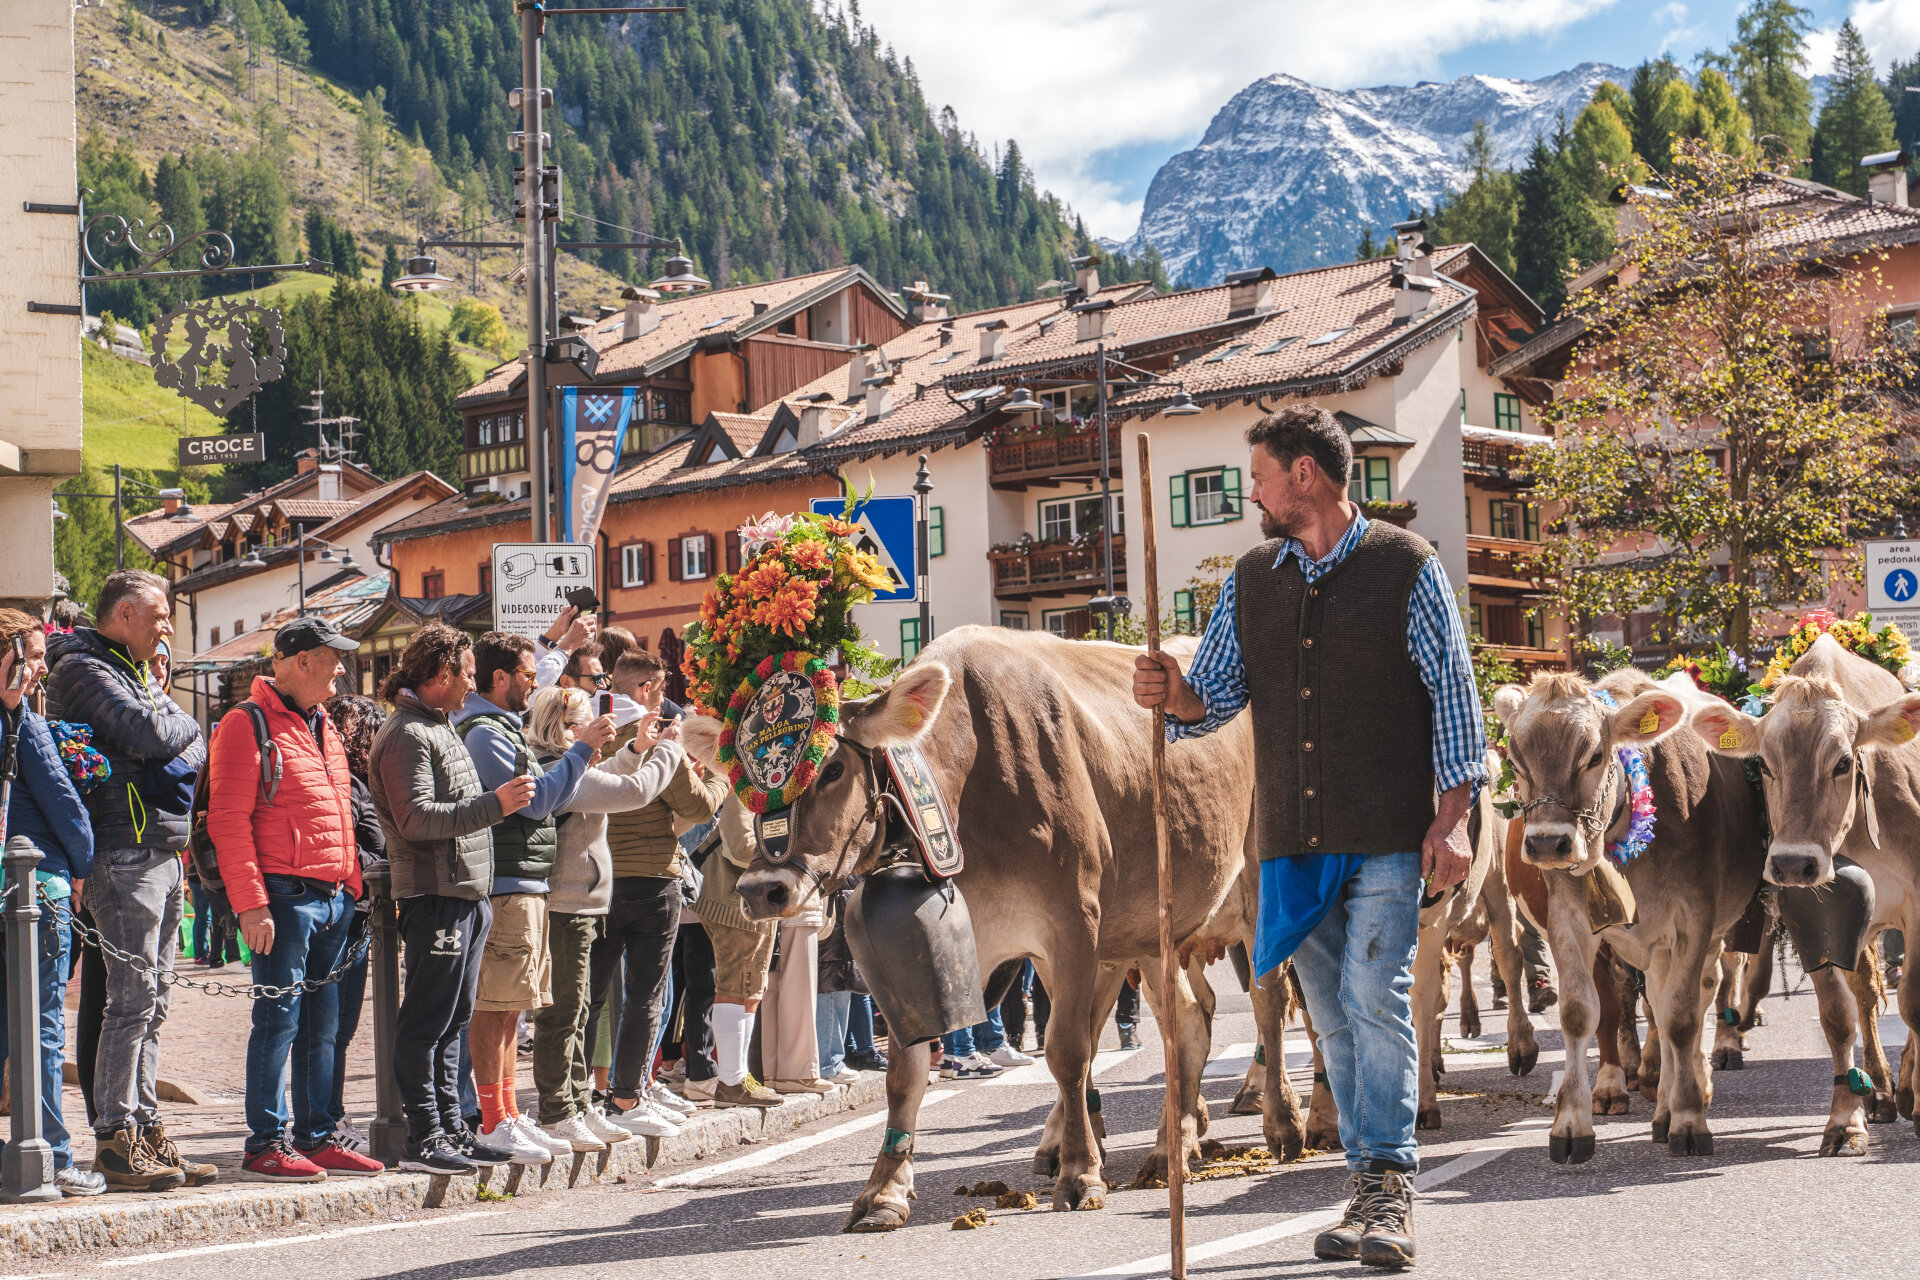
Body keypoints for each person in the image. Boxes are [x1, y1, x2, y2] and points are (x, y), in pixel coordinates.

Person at [1133, 404, 1484, 1270]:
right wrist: (1168, 689)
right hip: (1291, 841)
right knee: (1331, 1019)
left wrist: (1456, 816)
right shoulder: (1252, 578)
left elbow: (1454, 697)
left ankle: (1391, 1188)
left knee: (1374, 995)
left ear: (1304, 476)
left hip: (1387, 833)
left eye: (1257, 475)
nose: (1249, 491)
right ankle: (1367, 1183)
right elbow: (1209, 696)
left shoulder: (1408, 566)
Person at [44, 569, 210, 1193]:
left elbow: (180, 744)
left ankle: (145, 1126)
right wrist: (177, 729)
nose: (168, 626)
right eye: (160, 614)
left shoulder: (131, 672)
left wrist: (175, 732)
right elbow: (153, 733)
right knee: (131, 1002)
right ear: (124, 616)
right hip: (121, 850)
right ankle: (115, 1138)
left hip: (161, 849)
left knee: (157, 1003)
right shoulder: (84, 671)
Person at [208, 617, 384, 1181]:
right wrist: (251, 902)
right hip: (283, 897)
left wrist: (352, 883)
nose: (342, 669)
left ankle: (316, 1134)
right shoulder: (246, 723)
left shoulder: (323, 724)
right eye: (334, 658)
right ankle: (266, 1142)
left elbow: (341, 810)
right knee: (278, 1020)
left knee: (322, 1026)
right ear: (301, 659)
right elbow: (228, 820)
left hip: (332, 895)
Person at [369, 623, 537, 1176]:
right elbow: (417, 820)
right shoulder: (407, 735)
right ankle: (424, 1135)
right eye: (466, 674)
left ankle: (452, 1128)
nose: (472, 684)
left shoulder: (436, 725)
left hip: (465, 893)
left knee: (454, 1019)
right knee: (427, 1020)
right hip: (435, 894)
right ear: (441, 676)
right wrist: (498, 804)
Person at [452, 632, 613, 1166]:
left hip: (523, 883)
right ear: (500, 678)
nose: (535, 682)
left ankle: (506, 1115)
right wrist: (585, 749)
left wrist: (567, 769)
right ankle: (494, 1118)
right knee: (495, 1008)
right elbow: (538, 802)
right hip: (506, 884)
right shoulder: (487, 734)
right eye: (526, 674)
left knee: (509, 1009)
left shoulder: (500, 728)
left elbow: (545, 796)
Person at [526, 685, 685, 1150]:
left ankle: (577, 1105)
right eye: (582, 721)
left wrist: (637, 748)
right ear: (564, 727)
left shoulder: (566, 766)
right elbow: (631, 792)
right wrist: (669, 753)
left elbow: (608, 777)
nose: (595, 726)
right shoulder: (559, 767)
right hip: (567, 905)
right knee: (565, 1012)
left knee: (578, 1010)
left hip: (581, 902)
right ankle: (560, 1111)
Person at [0, 609, 105, 1196]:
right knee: (41, 1027)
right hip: (41, 893)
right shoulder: (25, 725)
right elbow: (70, 814)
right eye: (35, 655)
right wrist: (84, 870)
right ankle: (53, 1156)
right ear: (10, 655)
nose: (42, 668)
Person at [602, 649, 730, 1131]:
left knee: (591, 996)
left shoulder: (593, 730)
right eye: (661, 685)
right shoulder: (657, 739)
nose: (666, 694)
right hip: (652, 876)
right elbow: (696, 808)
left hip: (599, 876)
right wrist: (718, 779)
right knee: (646, 996)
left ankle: (592, 1096)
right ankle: (628, 1096)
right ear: (647, 687)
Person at [684, 795, 782, 1108]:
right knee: (735, 986)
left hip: (754, 900)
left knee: (752, 989)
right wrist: (787, 857)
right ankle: (731, 1081)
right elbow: (740, 846)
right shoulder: (744, 790)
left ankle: (738, 1077)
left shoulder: (764, 791)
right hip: (733, 900)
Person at [322, 693, 388, 1152]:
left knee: (341, 1028)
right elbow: (350, 850)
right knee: (331, 1027)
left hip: (361, 916)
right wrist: (378, 866)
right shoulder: (346, 784)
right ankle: (326, 1119)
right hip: (345, 911)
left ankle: (332, 1113)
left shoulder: (363, 784)